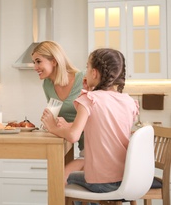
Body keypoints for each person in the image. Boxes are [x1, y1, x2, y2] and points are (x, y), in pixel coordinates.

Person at [41, 48, 139, 194]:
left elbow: (74, 136)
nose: (84, 73)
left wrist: (52, 127)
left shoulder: (89, 98)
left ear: (94, 73)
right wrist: (69, 125)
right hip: (126, 178)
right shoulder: (128, 101)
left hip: (102, 181)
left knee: (58, 177)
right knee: (78, 170)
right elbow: (104, 125)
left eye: (87, 67)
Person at [31, 41, 85, 179]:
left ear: (54, 61)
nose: (35, 67)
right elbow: (57, 116)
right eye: (34, 62)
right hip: (77, 143)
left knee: (61, 179)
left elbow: (97, 115)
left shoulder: (82, 79)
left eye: (38, 61)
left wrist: (57, 125)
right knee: (60, 177)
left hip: (93, 143)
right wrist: (50, 121)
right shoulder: (47, 85)